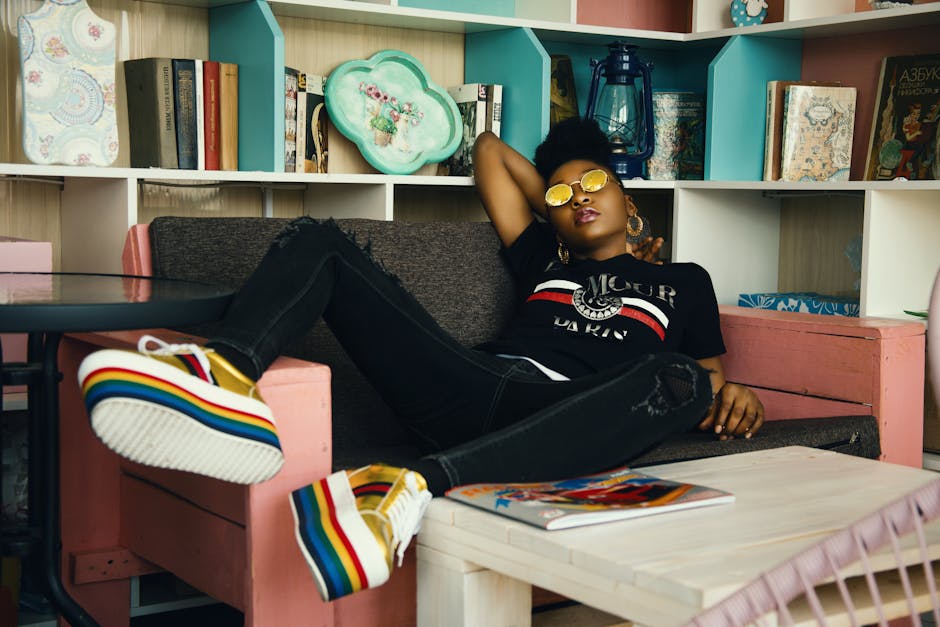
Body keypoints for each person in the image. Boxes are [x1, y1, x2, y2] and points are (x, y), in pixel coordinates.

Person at [77, 116, 764, 603]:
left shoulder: (683, 282)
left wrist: (737, 397)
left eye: (595, 184)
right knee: (319, 237)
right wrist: (557, 198)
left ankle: (406, 485)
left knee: (675, 379)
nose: (579, 195)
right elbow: (490, 150)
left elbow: (707, 381)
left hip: (567, 415)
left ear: (631, 203)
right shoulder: (538, 257)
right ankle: (224, 378)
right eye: (561, 193)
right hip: (478, 385)